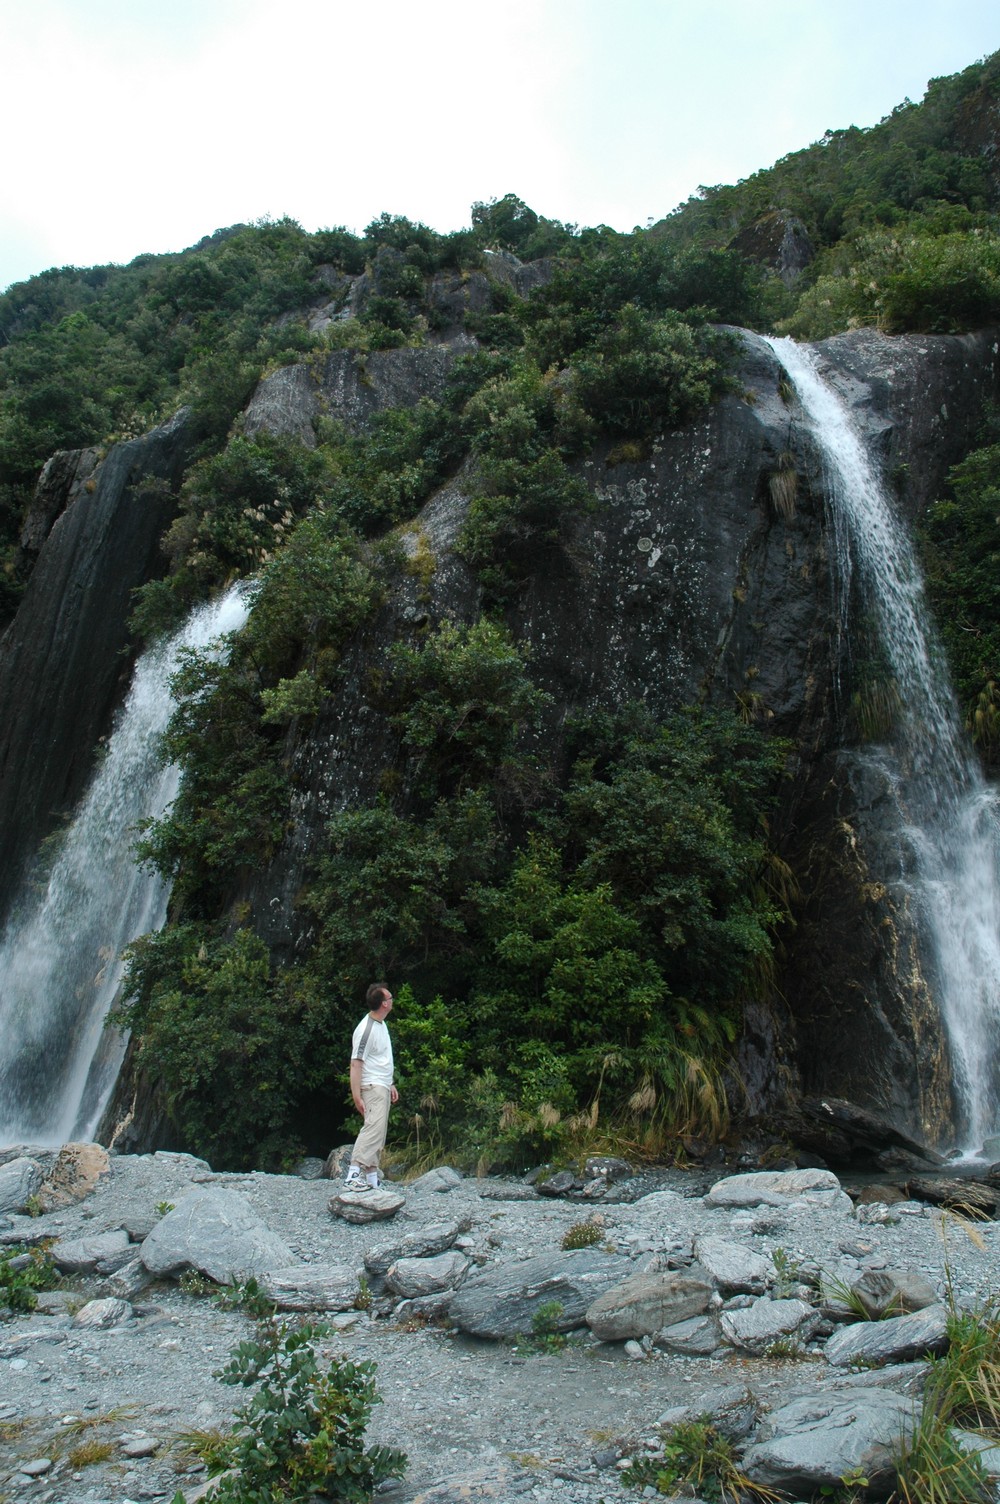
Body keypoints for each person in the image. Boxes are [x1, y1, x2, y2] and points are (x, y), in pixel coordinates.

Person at [343, 983, 398, 1191]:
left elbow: (380, 1059)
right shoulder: (365, 1029)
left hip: (382, 1084)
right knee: (372, 1130)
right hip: (371, 1086)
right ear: (384, 1003)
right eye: (390, 997)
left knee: (379, 1131)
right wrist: (356, 1095)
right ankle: (353, 1173)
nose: (392, 1000)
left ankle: (372, 1178)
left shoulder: (381, 1025)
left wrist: (390, 1083)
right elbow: (356, 1063)